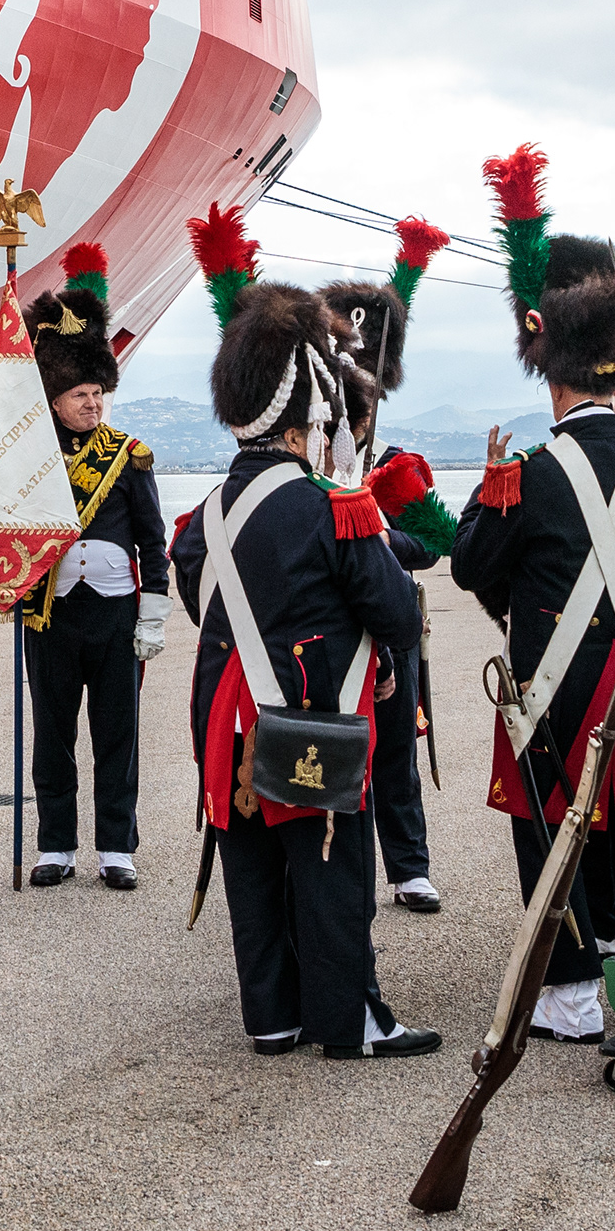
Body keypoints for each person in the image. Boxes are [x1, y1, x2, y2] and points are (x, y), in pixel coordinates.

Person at [171, 281, 437, 1059]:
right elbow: (393, 612)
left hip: (227, 717)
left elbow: (197, 595)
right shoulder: (336, 506)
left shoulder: (208, 511)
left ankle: (272, 1018)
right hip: (309, 710)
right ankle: (349, 1018)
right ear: (310, 411)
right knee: (330, 865)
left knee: (247, 864)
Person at [448, 146, 615, 1044]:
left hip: (554, 678)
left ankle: (570, 994)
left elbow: (468, 565)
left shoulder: (527, 472)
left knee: (549, 824)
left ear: (556, 372)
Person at [20, 244, 170, 889]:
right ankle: (56, 846)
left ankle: (117, 847)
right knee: (51, 738)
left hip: (114, 616)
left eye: (98, 392)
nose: (93, 404)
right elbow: (13, 531)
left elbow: (153, 539)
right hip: (50, 614)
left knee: (117, 736)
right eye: (80, 394)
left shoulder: (128, 456)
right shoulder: (28, 462)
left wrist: (155, 611)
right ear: (55, 400)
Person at [327, 218, 453, 912]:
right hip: (330, 626)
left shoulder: (397, 469)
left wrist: (375, 538)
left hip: (392, 622)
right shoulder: (313, 470)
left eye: (367, 406)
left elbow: (432, 544)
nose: (361, 417)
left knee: (398, 750)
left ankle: (409, 867)